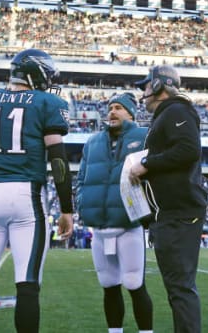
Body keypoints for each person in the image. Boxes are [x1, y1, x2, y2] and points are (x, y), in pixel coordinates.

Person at [0, 49, 74, 333]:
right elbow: (57, 160)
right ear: (35, 75)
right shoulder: (47, 102)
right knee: (27, 284)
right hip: (26, 196)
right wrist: (67, 208)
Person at [129, 65, 208, 333]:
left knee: (180, 288)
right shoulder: (168, 113)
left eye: (147, 86)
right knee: (176, 288)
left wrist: (147, 163)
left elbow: (188, 150)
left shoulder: (177, 110)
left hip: (179, 213)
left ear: (161, 85)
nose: (144, 92)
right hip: (169, 214)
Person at [76, 93, 154, 333]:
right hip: (99, 226)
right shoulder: (92, 142)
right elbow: (81, 178)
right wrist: (81, 201)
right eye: (110, 108)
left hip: (129, 223)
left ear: (130, 113)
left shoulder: (144, 136)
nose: (112, 112)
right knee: (108, 284)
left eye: (119, 108)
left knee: (134, 283)